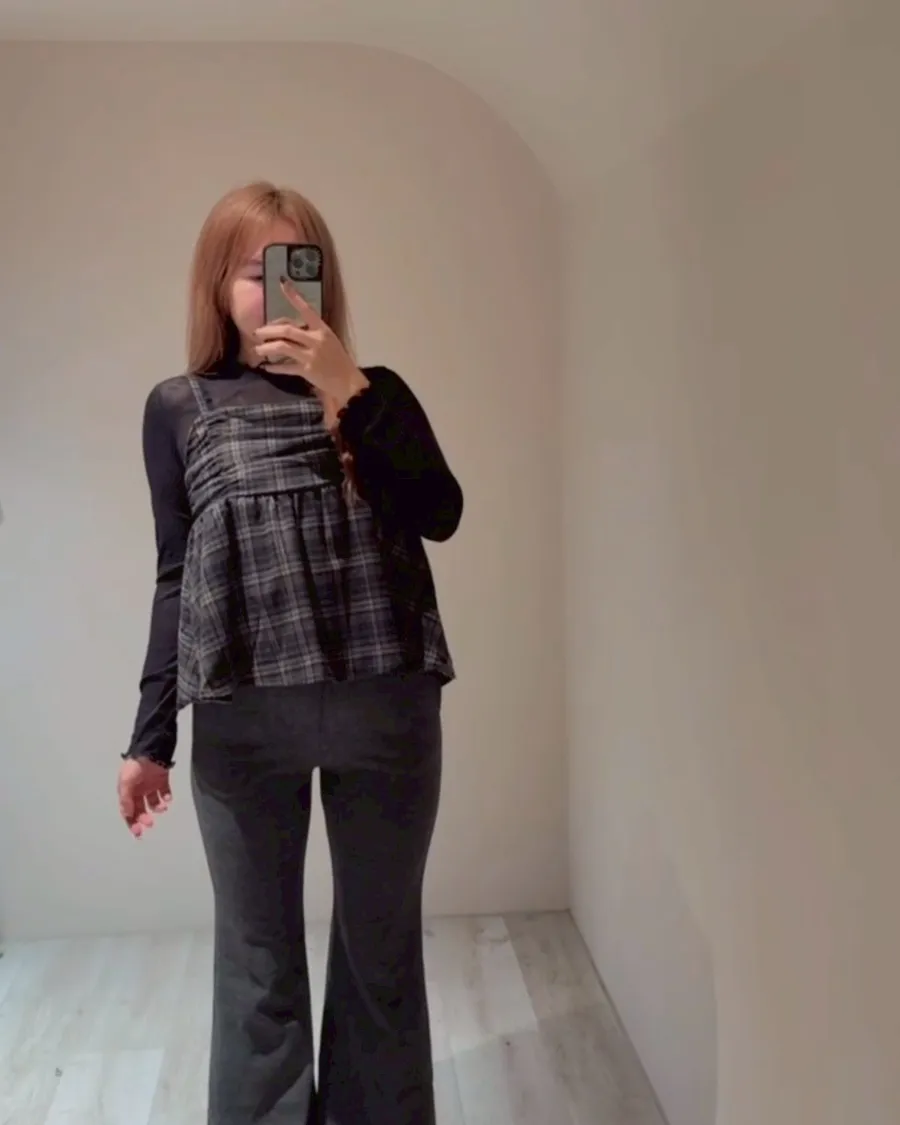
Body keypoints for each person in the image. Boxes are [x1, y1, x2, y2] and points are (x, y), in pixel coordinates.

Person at [116, 181, 462, 1125]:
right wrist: (150, 737)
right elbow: (175, 574)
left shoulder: (375, 392)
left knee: (381, 956)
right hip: (245, 724)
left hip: (387, 710)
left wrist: (348, 388)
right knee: (256, 964)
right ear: (214, 285)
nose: (272, 288)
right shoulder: (179, 407)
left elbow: (442, 512)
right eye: (249, 268)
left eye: (292, 266)